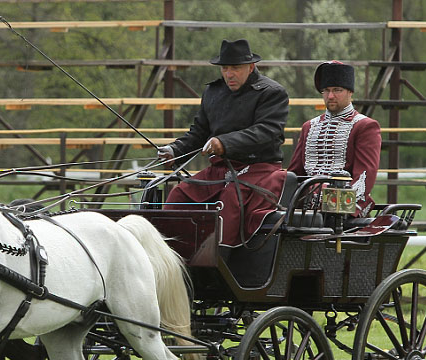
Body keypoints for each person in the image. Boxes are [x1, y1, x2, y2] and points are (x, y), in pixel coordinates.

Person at [158, 38, 290, 247]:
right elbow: (199, 132)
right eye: (225, 68)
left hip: (259, 170)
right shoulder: (213, 92)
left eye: (235, 68)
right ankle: (173, 254)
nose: (229, 74)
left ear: (251, 67)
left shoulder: (271, 93)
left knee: (229, 201)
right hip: (219, 170)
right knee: (179, 194)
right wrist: (175, 150)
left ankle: (221, 262)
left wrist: (224, 143)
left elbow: (266, 131)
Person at [287, 61, 382, 217]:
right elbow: (295, 173)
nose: (330, 96)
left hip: (343, 209)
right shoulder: (308, 127)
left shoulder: (365, 126)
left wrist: (339, 209)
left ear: (350, 92)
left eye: (337, 90)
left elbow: (364, 178)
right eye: (326, 90)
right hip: (305, 207)